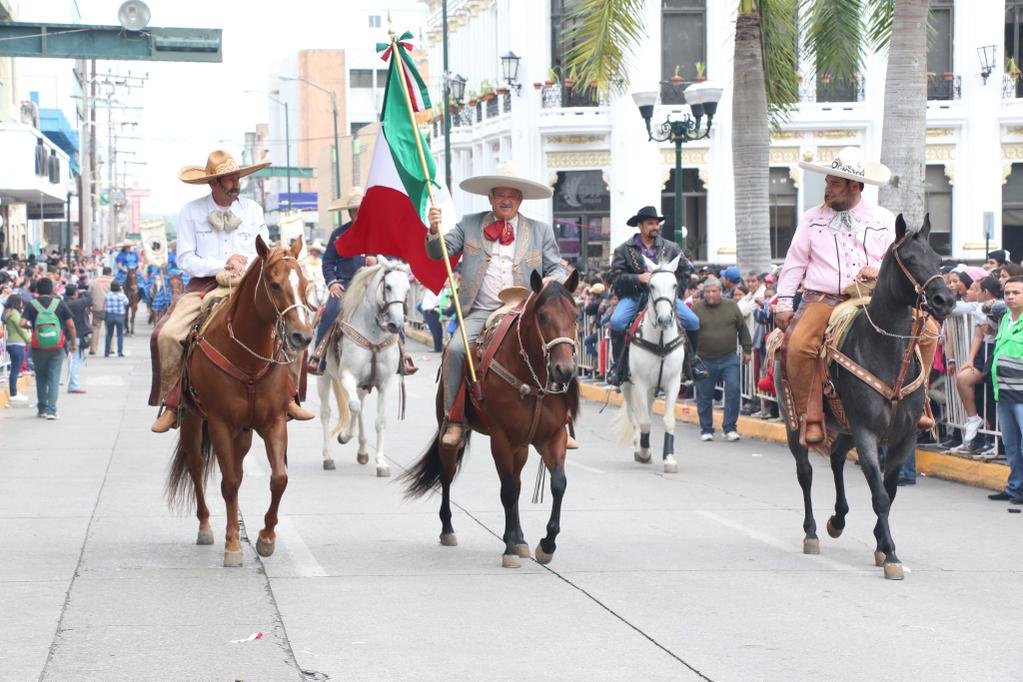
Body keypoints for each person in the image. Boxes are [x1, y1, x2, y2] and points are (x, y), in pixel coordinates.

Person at [775, 146, 938, 445]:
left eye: (834, 184)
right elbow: (795, 262)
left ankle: (919, 401)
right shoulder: (811, 219)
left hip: (874, 298)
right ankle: (811, 414)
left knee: (929, 331)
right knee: (797, 346)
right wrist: (785, 303)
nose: (827, 189)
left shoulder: (884, 218)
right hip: (823, 299)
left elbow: (899, 260)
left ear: (854, 186)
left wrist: (878, 269)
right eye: (827, 182)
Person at [149, 149, 313, 433]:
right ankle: (172, 402)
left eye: (237, 177)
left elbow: (266, 253)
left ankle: (288, 396)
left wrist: (245, 263)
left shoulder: (252, 210)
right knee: (167, 334)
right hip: (206, 285)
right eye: (229, 179)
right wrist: (221, 264)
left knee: (294, 328)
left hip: (249, 286)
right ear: (214, 183)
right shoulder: (191, 211)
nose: (236, 183)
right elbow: (185, 259)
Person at [426, 162, 566, 447]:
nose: (506, 200)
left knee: (561, 348)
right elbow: (437, 252)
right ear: (490, 198)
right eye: (500, 195)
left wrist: (553, 280)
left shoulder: (540, 231)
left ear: (520, 200)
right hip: (480, 311)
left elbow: (558, 269)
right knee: (454, 350)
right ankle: (453, 420)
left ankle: (563, 424)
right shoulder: (469, 223)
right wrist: (432, 229)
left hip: (525, 313)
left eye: (511, 195)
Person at [604, 205, 704, 387]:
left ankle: (692, 362)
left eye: (657, 223)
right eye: (650, 223)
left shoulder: (671, 247)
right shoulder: (623, 250)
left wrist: (674, 290)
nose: (655, 227)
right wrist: (638, 278)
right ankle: (618, 367)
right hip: (635, 296)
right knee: (617, 322)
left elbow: (687, 270)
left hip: (665, 297)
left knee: (693, 321)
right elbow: (615, 277)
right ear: (640, 226)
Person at [307, 188, 375, 374]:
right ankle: (318, 357)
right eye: (355, 210)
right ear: (350, 212)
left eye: (362, 210)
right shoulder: (338, 234)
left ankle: (403, 355)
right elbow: (328, 261)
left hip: (372, 285)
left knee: (393, 311)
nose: (358, 214)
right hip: (345, 285)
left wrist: (377, 260)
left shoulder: (377, 233)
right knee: (329, 312)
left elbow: (392, 258)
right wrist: (332, 283)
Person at [692, 277, 752, 442]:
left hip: (729, 357)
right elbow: (689, 332)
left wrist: (747, 349)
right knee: (704, 395)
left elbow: (742, 328)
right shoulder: (697, 308)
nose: (710, 295)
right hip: (704, 358)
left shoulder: (731, 306)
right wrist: (690, 355)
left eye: (714, 291)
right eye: (707, 292)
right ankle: (706, 429)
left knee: (733, 390)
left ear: (720, 292)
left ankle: (730, 428)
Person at [988, 276, 1023, 504]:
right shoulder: (1004, 320)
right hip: (1003, 392)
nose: (1010, 296)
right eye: (1007, 293)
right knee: (1011, 446)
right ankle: (1015, 488)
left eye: (1016, 293)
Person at [22, 277, 76, 419]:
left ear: (37, 290)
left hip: (38, 346)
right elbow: (70, 325)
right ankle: (52, 411)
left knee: (41, 377)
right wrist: (74, 344)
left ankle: (42, 409)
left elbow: (22, 323)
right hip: (57, 346)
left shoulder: (31, 304)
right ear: (52, 289)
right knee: (54, 377)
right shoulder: (59, 303)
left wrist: (32, 327)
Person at [3, 296, 31, 404]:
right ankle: (13, 393)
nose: (22, 303)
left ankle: (14, 392)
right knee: (16, 369)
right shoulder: (15, 313)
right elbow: (21, 329)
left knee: (15, 369)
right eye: (20, 302)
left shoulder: (8, 312)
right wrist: (29, 340)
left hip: (12, 343)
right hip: (17, 343)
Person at [64, 283, 91, 393]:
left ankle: (73, 384)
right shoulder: (78, 303)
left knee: (73, 361)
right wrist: (83, 291)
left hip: (67, 335)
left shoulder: (64, 303)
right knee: (74, 361)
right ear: (75, 293)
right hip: (76, 335)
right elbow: (90, 298)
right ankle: (74, 386)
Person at [89, 266, 113, 354]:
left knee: (95, 328)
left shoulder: (94, 281)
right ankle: (110, 348)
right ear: (110, 273)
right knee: (109, 328)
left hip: (96, 307)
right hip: (109, 309)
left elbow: (89, 294)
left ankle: (93, 349)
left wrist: (89, 307)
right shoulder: (112, 281)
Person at [104, 280, 129, 357]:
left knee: (109, 334)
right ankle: (120, 352)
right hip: (120, 316)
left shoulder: (107, 295)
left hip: (110, 315)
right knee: (120, 334)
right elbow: (126, 303)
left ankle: (106, 352)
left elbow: (105, 303)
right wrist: (123, 292)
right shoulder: (122, 295)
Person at [419, 287, 443, 352]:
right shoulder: (430, 289)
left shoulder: (435, 289)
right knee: (433, 330)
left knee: (436, 330)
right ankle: (437, 347)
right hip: (429, 311)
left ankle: (438, 348)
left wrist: (432, 307)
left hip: (432, 311)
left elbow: (437, 299)